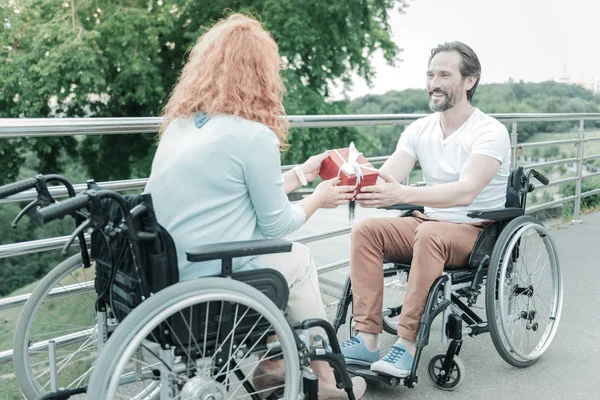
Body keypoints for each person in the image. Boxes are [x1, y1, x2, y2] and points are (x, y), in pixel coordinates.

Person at [144, 13, 366, 399]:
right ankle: (326, 383)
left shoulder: (180, 127)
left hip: (167, 271)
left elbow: (231, 195)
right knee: (297, 259)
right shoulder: (253, 135)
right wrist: (319, 199)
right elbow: (278, 223)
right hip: (213, 276)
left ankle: (272, 368)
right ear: (262, 73)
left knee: (273, 260)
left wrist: (300, 175)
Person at [340, 41, 511, 378]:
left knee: (430, 234)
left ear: (469, 81)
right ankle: (367, 338)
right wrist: (353, 178)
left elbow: (466, 192)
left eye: (444, 74)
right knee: (367, 230)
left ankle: (405, 346)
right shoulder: (420, 129)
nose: (434, 82)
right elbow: (388, 177)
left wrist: (401, 192)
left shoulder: (490, 131)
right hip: (427, 223)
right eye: (430, 74)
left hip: (475, 231)